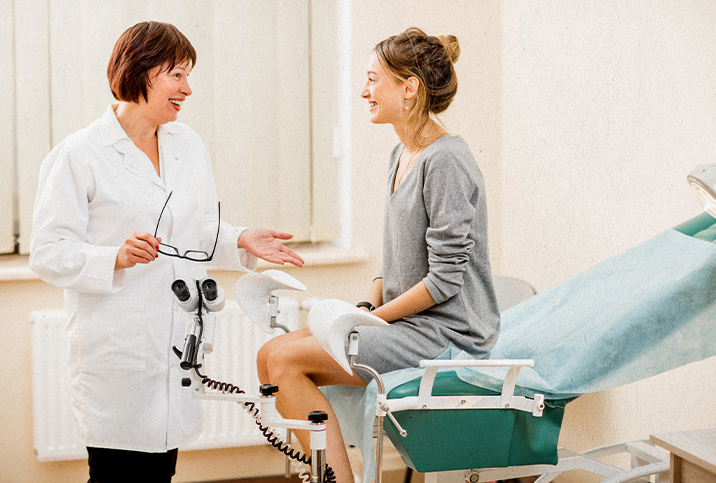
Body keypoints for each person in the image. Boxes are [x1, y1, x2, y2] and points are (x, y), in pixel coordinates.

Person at [29, 21, 304, 483]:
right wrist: (114, 256)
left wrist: (238, 239)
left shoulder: (188, 145)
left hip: (175, 342)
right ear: (143, 72)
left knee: (161, 471)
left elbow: (193, 233)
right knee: (119, 473)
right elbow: (47, 251)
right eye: (177, 75)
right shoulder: (79, 154)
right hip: (117, 351)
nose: (188, 88)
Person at [256, 27, 500, 482]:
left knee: (287, 362)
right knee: (269, 354)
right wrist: (365, 306)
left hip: (448, 336)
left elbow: (445, 280)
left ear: (409, 89)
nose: (363, 91)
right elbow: (397, 261)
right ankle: (327, 472)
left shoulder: (445, 161)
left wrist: (375, 320)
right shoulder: (401, 153)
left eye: (373, 79)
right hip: (408, 323)